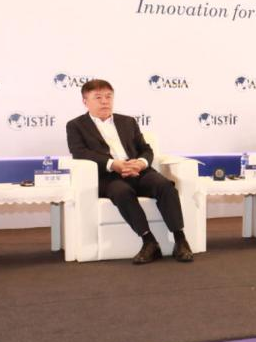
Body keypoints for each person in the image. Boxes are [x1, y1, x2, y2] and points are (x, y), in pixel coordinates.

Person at [65, 79, 193, 263]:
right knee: (122, 192)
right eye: (98, 97)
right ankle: (149, 242)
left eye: (108, 96)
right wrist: (112, 164)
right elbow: (80, 152)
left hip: (138, 170)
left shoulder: (128, 121)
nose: (105, 101)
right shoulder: (76, 125)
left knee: (165, 186)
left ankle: (180, 240)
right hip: (108, 175)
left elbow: (146, 149)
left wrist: (141, 163)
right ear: (85, 101)